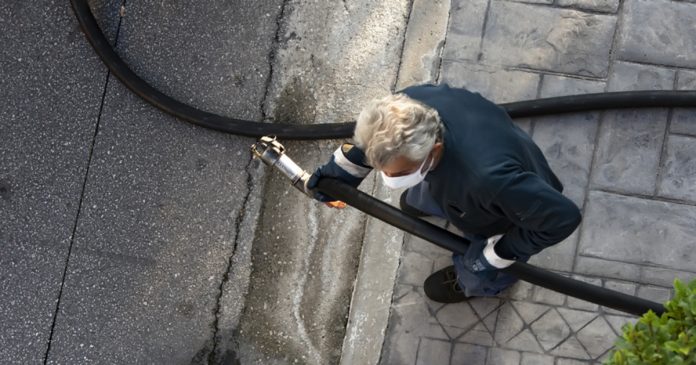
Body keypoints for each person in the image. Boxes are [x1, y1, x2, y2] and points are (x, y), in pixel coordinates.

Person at [306, 83, 582, 303]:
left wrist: (496, 253)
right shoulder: (409, 104)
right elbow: (373, 144)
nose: (387, 178)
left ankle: (480, 283)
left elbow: (562, 219)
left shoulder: (488, 181)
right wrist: (338, 174)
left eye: (398, 173)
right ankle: (436, 206)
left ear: (434, 150)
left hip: (500, 211)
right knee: (426, 194)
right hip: (455, 184)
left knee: (483, 267)